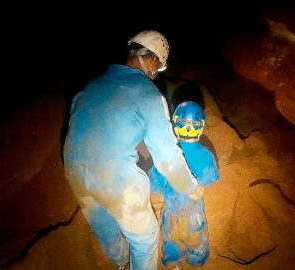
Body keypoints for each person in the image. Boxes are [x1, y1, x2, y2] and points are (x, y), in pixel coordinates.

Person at [62, 30, 204, 270]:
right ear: (150, 60)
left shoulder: (91, 86)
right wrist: (190, 187)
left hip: (74, 171)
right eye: (157, 68)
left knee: (105, 225)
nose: (155, 74)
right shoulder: (148, 95)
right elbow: (168, 158)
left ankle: (120, 262)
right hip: (113, 178)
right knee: (145, 236)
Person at [149, 101, 220, 269]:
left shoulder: (166, 155)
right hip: (194, 206)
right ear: (201, 126)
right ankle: (197, 260)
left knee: (171, 234)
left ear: (175, 123)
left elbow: (156, 185)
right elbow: (212, 178)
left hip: (172, 205)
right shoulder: (206, 155)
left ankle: (173, 262)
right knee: (197, 233)